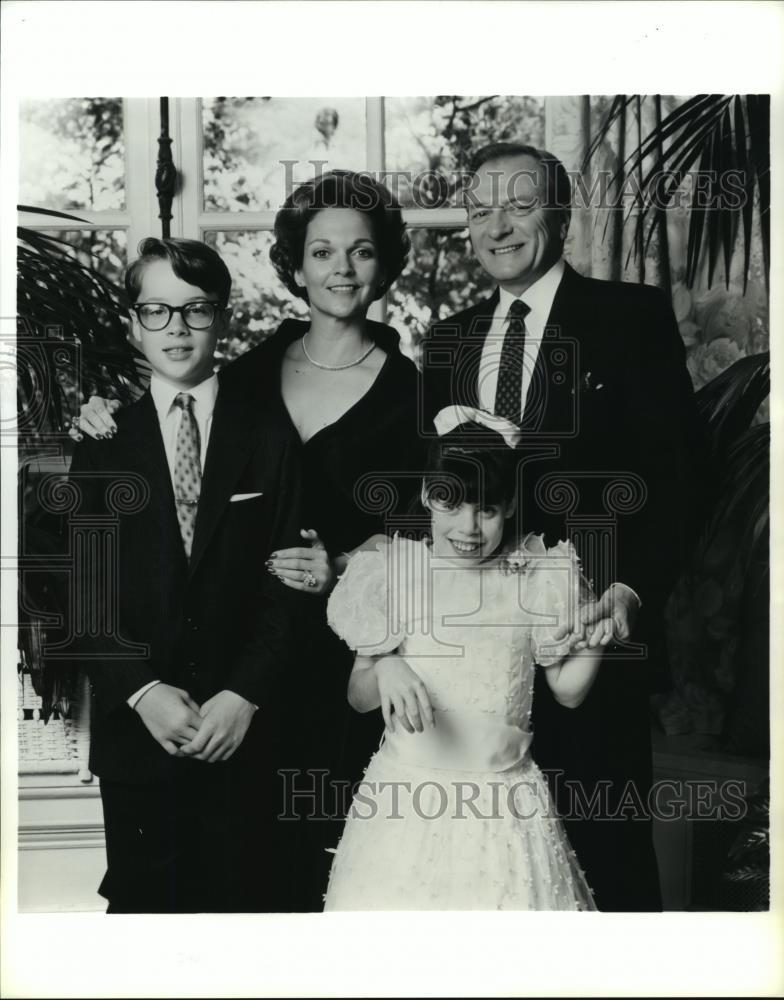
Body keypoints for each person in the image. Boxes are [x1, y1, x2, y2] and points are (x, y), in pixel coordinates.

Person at [72, 171, 424, 908]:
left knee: (283, 890)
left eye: (360, 252)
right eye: (322, 251)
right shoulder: (248, 380)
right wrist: (102, 417)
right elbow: (85, 581)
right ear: (295, 265)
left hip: (320, 670)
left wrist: (340, 573)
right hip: (176, 699)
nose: (341, 270)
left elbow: (431, 535)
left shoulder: (408, 395)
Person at [421, 142, 706, 910]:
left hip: (587, 643)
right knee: (483, 875)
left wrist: (630, 589)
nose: (498, 226)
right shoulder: (447, 340)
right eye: (480, 210)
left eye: (518, 205)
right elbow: (434, 501)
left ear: (561, 213)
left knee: (602, 866)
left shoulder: (629, 319)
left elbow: (679, 481)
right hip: (474, 665)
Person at [66, 237, 304, 912]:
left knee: (249, 923)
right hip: (139, 742)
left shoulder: (268, 435)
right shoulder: (103, 445)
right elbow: (83, 595)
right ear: (132, 324)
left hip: (246, 736)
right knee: (148, 928)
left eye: (196, 309)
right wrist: (140, 691)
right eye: (158, 311)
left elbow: (287, 582)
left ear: (222, 317)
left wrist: (244, 695)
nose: (177, 328)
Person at [323, 412, 606, 910]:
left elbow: (568, 689)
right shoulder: (395, 571)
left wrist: (598, 636)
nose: (469, 527)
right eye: (451, 504)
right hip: (404, 802)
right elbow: (357, 696)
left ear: (512, 505)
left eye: (488, 510)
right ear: (429, 495)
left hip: (505, 805)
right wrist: (385, 665)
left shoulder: (536, 575)